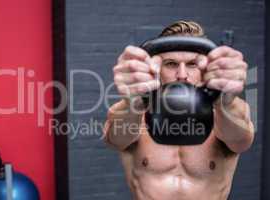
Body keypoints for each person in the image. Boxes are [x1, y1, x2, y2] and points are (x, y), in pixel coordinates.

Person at [103, 21, 255, 200]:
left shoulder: (227, 113)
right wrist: (134, 103)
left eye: (192, 64)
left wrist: (224, 102)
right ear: (157, 69)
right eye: (171, 64)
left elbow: (240, 141)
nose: (182, 74)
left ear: (205, 69)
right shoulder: (133, 113)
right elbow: (115, 140)